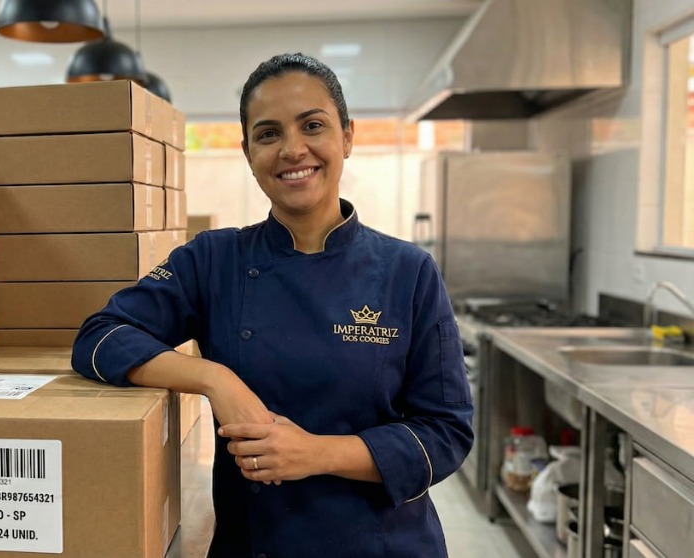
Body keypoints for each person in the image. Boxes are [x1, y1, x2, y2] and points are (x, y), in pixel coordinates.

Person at [71, 52, 473, 558]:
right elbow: (100, 337)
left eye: (313, 125)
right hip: (256, 544)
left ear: (347, 136)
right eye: (268, 134)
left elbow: (446, 433)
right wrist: (215, 379)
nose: (292, 149)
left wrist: (315, 453)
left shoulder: (408, 271)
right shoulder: (212, 259)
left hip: (382, 544)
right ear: (247, 151)